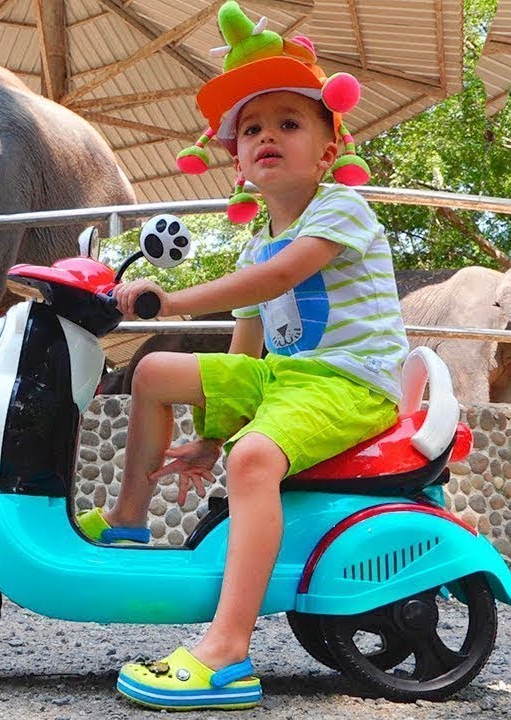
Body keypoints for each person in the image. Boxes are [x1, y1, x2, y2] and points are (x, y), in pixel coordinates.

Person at [74, 1, 410, 710]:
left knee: (256, 461)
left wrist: (171, 302)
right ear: (236, 160)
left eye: (289, 122)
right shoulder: (259, 239)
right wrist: (209, 434)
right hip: (288, 379)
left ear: (327, 149)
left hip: (350, 382)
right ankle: (131, 517)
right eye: (251, 129)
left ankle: (227, 653)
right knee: (156, 371)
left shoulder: (341, 210)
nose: (266, 136)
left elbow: (281, 278)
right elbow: (249, 345)